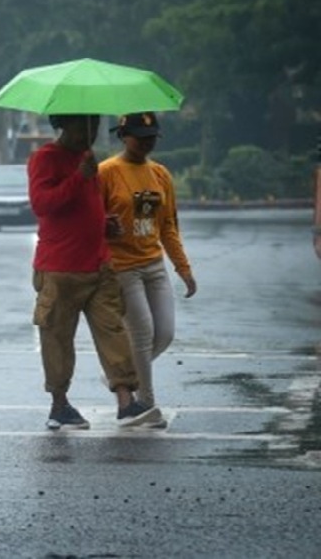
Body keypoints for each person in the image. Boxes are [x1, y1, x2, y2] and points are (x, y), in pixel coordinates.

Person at [27, 113, 161, 430]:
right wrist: (78, 177)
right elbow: (42, 204)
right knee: (58, 338)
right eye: (81, 125)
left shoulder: (89, 160)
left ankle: (126, 403)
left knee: (113, 331)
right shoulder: (44, 159)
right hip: (59, 268)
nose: (89, 132)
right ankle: (59, 405)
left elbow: (86, 208)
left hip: (99, 264)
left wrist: (104, 224)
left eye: (95, 125)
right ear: (63, 126)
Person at [99, 112, 196, 427]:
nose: (147, 142)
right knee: (142, 333)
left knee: (165, 333)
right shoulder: (106, 172)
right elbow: (89, 220)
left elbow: (168, 225)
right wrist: (102, 227)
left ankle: (121, 374)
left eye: (151, 136)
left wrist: (183, 268)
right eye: (140, 136)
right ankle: (145, 405)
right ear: (123, 136)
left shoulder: (160, 174)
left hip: (153, 264)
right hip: (122, 267)